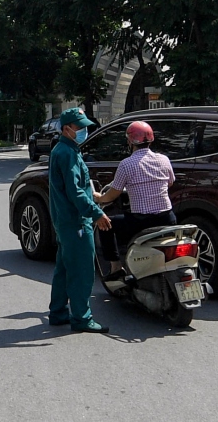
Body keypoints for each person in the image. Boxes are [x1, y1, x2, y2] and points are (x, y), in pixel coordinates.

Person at [47, 107, 112, 334]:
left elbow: (72, 187)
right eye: (80, 127)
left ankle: (57, 312)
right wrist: (96, 212)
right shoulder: (67, 153)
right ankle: (82, 318)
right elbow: (75, 192)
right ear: (67, 129)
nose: (84, 130)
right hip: (76, 221)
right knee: (82, 272)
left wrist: (90, 195)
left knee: (64, 269)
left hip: (65, 220)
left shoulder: (63, 150)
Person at [93, 121, 176, 278]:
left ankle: (116, 267)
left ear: (130, 141)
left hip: (141, 221)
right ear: (151, 139)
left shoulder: (126, 164)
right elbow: (169, 182)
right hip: (168, 218)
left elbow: (113, 194)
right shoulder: (164, 159)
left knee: (105, 225)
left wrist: (99, 198)